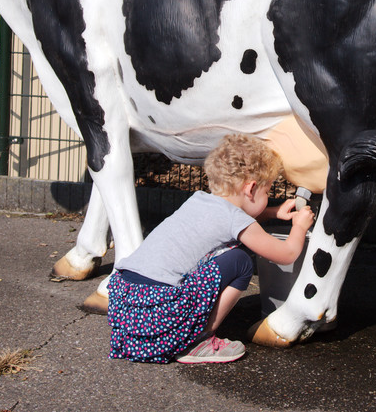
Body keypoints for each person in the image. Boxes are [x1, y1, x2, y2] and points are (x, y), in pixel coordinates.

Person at [107, 133, 315, 364]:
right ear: (251, 188)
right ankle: (199, 340)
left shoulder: (198, 200)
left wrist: (273, 212)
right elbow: (287, 255)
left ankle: (168, 337)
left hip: (126, 306)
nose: (268, 197)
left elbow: (237, 219)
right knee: (240, 260)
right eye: (267, 192)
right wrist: (299, 226)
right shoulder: (234, 220)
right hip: (160, 310)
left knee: (221, 255)